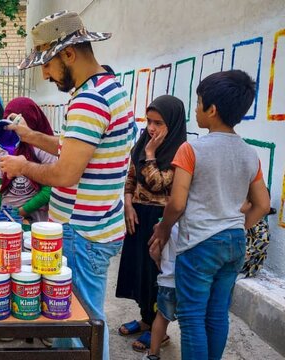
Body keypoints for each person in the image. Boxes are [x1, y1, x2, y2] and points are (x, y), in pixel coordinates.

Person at [0, 10, 135, 359]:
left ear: (69, 54)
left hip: (81, 233)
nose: (44, 73)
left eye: (47, 63)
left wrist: (22, 165)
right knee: (68, 319)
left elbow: (65, 173)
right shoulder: (108, 87)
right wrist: (30, 135)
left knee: (82, 324)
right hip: (98, 225)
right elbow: (71, 148)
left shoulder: (89, 100)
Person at [149, 70, 271, 360]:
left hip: (199, 245)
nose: (195, 109)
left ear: (212, 110)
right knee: (217, 314)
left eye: (198, 102)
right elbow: (263, 204)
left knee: (191, 318)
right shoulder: (249, 153)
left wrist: (163, 229)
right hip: (234, 244)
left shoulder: (191, 149)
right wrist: (237, 226)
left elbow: (177, 204)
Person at [115, 95, 186, 352]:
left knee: (158, 276)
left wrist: (150, 154)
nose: (151, 128)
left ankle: (160, 330)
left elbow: (158, 183)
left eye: (158, 123)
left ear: (174, 124)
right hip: (138, 214)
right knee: (139, 271)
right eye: (149, 121)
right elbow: (131, 176)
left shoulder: (181, 152)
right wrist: (128, 203)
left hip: (161, 220)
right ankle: (146, 320)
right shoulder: (143, 143)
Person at [0, 97, 57, 222]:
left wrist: (18, 213)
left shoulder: (44, 148)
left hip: (34, 219)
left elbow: (49, 190)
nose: (10, 129)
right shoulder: (4, 148)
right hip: (5, 217)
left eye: (14, 123)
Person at [144, 224, 178, 360]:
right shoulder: (201, 227)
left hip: (168, 280)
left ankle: (152, 354)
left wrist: (159, 261)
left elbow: (154, 251)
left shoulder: (167, 225)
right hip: (192, 282)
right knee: (194, 321)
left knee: (161, 316)